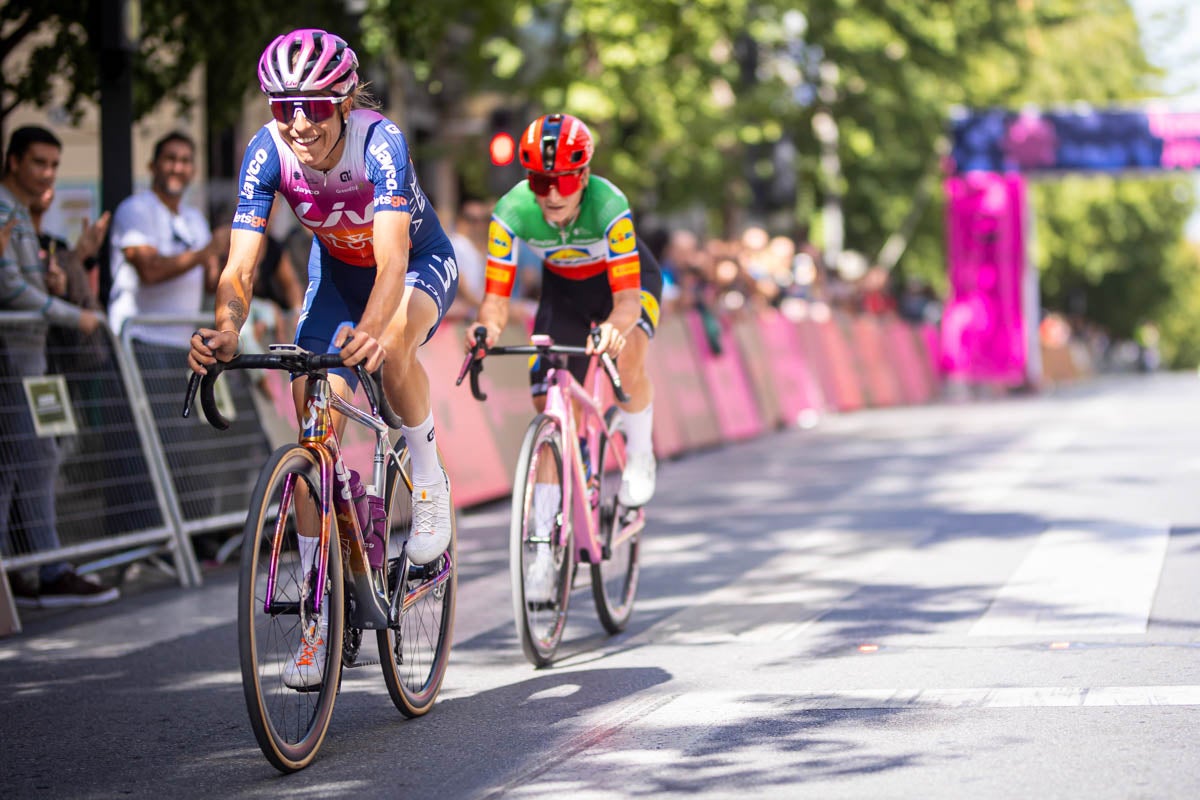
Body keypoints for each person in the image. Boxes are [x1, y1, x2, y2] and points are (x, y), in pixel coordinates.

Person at [187, 28, 457, 687]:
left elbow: (394, 260)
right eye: (283, 108)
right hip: (336, 275)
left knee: (392, 349)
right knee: (314, 429)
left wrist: (372, 329)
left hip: (414, 267)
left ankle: (428, 478)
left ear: (343, 100)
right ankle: (320, 620)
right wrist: (226, 330)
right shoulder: (267, 152)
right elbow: (240, 267)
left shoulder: (380, 142)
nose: (299, 122)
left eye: (312, 105)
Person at [468, 113, 661, 596]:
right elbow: (496, 299)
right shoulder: (512, 210)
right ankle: (541, 549)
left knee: (630, 353)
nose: (553, 193)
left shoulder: (609, 203)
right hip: (565, 293)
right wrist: (486, 330)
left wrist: (617, 330)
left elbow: (627, 303)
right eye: (540, 180)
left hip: (623, 287)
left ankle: (639, 454)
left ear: (586, 174)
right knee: (547, 406)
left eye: (566, 180)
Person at [0, 125, 118, 607]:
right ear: (13, 161)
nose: (46, 173)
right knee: (29, 456)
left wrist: (57, 279)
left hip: (33, 354)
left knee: (31, 457)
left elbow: (24, 287)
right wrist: (76, 314)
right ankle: (43, 570)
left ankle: (28, 573)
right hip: (14, 355)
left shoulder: (20, 215)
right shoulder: (6, 210)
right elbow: (10, 290)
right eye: (37, 163)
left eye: (53, 164)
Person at [108, 131, 226, 347]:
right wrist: (206, 252)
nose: (178, 168)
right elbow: (150, 271)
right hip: (139, 338)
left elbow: (211, 283)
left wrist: (240, 251)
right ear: (152, 166)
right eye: (170, 159)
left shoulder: (195, 218)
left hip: (183, 341)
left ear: (193, 171)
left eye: (185, 161)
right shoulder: (135, 209)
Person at [446, 195, 491, 319]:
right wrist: (485, 306)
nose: (479, 225)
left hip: (472, 308)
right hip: (462, 312)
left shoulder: (469, 245)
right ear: (460, 219)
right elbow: (460, 284)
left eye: (483, 219)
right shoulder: (455, 244)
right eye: (472, 219)